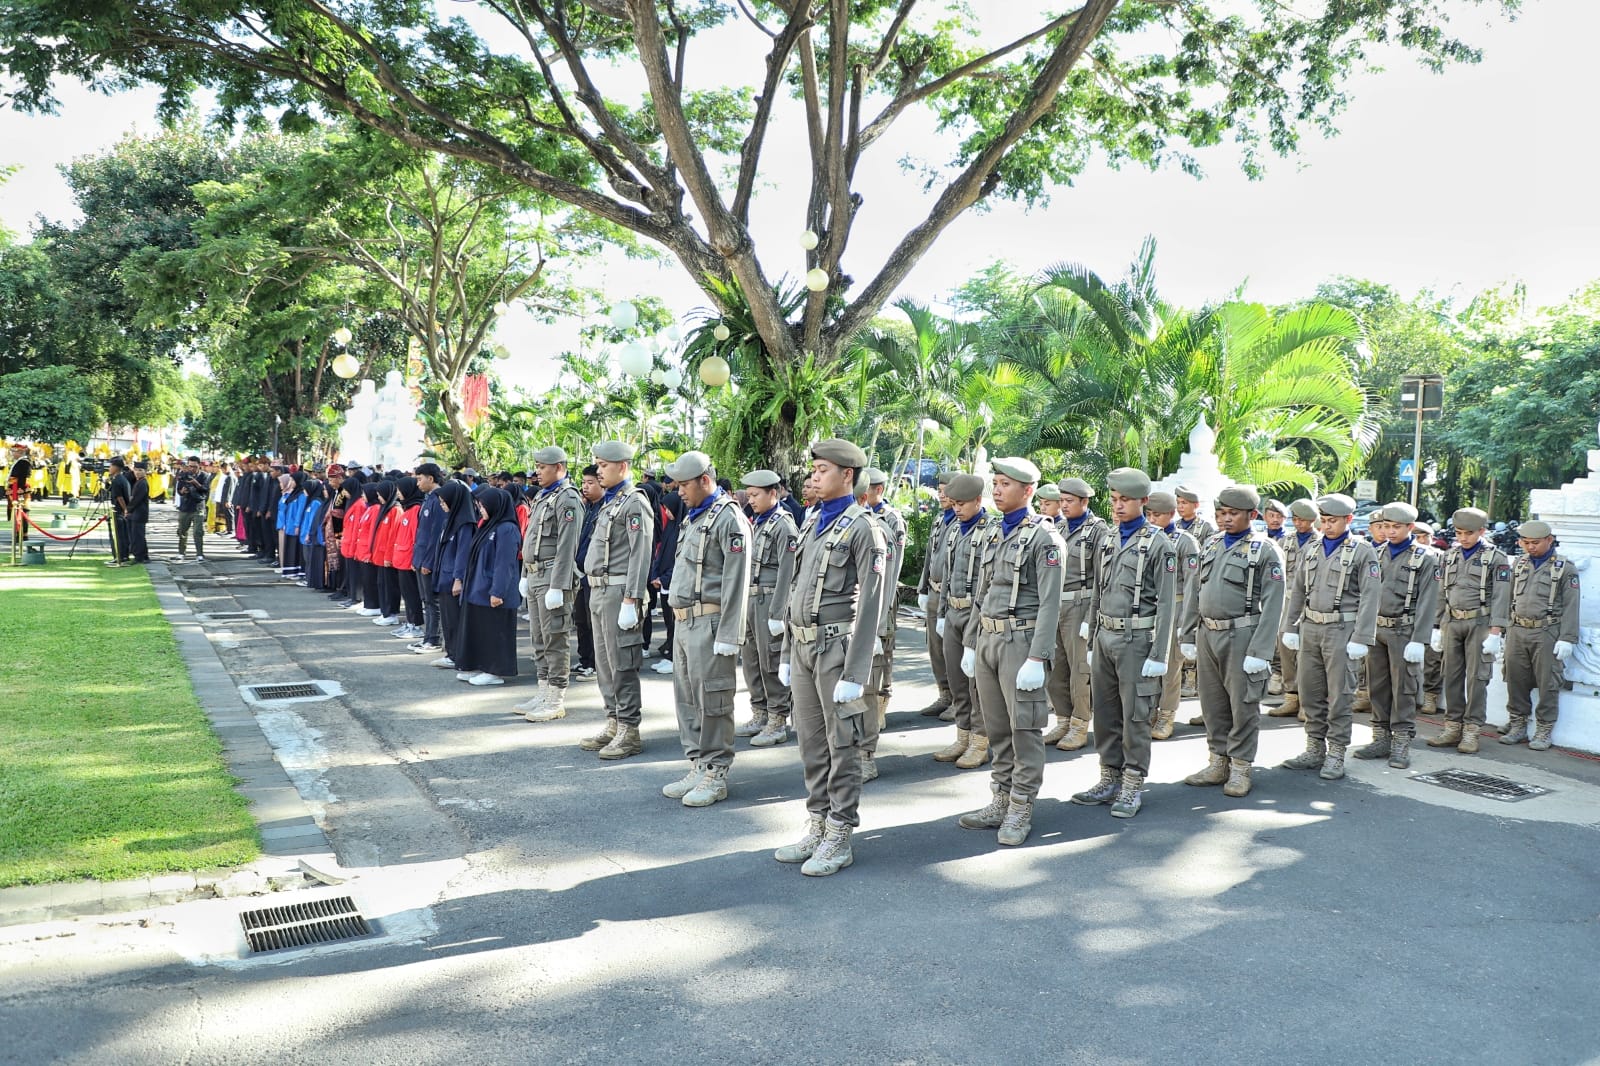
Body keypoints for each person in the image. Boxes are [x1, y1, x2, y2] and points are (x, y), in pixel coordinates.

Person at [774, 438, 886, 877]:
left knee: (844, 744)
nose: (814, 476)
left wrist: (857, 672)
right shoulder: (811, 522)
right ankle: (818, 821)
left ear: (847, 475)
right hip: (802, 646)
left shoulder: (864, 528)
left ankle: (840, 832)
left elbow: (872, 603)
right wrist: (786, 649)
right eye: (814, 469)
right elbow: (796, 591)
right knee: (811, 742)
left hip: (837, 651)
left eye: (822, 470)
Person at [956, 457, 1064, 845]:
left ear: (1028, 491)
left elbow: (1052, 604)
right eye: (995, 483)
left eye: (1004, 484)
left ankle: (1021, 805)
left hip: (1021, 643)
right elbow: (982, 594)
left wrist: (1037, 657)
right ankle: (1000, 797)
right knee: (997, 726)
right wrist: (971, 641)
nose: (996, 490)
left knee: (1024, 729)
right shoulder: (993, 533)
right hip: (988, 638)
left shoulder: (1045, 538)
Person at [1072, 467, 1176, 818]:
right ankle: (1108, 777)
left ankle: (1132, 783)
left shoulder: (1159, 544)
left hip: (1137, 639)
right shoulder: (1109, 539)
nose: (1118, 507)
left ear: (1144, 501)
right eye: (1114, 500)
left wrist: (1159, 653)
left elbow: (1166, 603)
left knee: (1135, 715)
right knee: (1104, 712)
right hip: (1105, 636)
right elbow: (1097, 590)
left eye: (1126, 500)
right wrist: (1090, 631)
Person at [658, 451, 752, 807]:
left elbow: (736, 580)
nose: (679, 492)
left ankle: (716, 771)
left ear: (704, 480)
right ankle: (698, 762)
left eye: (684, 485)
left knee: (713, 699)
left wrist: (730, 634)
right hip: (685, 621)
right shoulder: (696, 517)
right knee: (688, 700)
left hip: (711, 622)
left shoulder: (729, 518)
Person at [1178, 485, 1285, 797]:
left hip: (1242, 635)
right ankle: (1218, 761)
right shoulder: (1210, 545)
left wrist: (1262, 650)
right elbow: (1194, 592)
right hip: (1208, 633)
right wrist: (1187, 633)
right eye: (1221, 513)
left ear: (1251, 515)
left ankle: (1240, 768)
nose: (1226, 519)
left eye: (1233, 514)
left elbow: (1274, 601)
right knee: (1212, 704)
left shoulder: (1264, 550)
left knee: (1243, 705)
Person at [1278, 493, 1380, 781]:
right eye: (1324, 520)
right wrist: (1290, 626)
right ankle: (1314, 748)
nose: (1327, 526)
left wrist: (1362, 636)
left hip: (1341, 630)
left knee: (1339, 695)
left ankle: (1336, 752)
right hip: (1310, 627)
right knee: (1310, 692)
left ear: (1348, 520)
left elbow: (1371, 596)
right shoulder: (1311, 549)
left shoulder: (1362, 551)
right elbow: (1297, 589)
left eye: (1333, 521)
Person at [577, 441, 656, 760]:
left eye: (604, 465)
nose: (598, 470)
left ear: (622, 466)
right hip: (598, 590)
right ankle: (613, 720)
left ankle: (629, 729)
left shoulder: (634, 502)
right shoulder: (610, 502)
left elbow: (641, 553)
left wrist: (632, 598)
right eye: (597, 464)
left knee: (621, 663)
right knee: (604, 662)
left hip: (619, 591)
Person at [1350, 502, 1440, 770]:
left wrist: (1419, 639)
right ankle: (1380, 737)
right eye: (1385, 526)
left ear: (1410, 527)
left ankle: (1401, 740)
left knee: (1404, 687)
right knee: (1377, 685)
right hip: (1376, 629)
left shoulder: (1425, 558)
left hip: (1404, 630)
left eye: (1396, 527)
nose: (1390, 531)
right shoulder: (1374, 554)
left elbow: (1428, 600)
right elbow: (1363, 595)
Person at [1424, 508, 1511, 753]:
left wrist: (1496, 632)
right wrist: (1436, 626)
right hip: (1452, 621)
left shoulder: (1496, 558)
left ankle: (1471, 730)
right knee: (1450, 675)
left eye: (1469, 533)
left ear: (1482, 532)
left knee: (1477, 678)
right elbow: (1441, 593)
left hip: (1480, 623)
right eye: (1459, 533)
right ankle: (1452, 727)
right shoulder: (1449, 556)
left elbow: (1502, 596)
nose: (1463, 538)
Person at [516, 446, 585, 722]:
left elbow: (568, 546)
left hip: (552, 575)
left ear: (558, 467)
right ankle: (543, 689)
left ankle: (556, 695)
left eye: (542, 467)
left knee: (554, 636)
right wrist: (524, 573)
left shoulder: (567, 499)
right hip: (534, 574)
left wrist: (558, 585)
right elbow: (530, 539)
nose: (537, 472)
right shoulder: (544, 497)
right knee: (538, 637)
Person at [1501, 519, 1580, 751]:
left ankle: (1544, 729)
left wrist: (1567, 638)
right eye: (1525, 542)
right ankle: (1517, 724)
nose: (1530, 547)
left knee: (1548, 682)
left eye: (1535, 542)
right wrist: (1502, 628)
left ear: (1549, 540)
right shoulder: (1520, 563)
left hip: (1547, 631)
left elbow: (1572, 605)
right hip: (1518, 629)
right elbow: (1508, 598)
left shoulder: (1565, 568)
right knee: (1515, 678)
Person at [932, 473, 994, 769]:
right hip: (954, 610)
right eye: (953, 503)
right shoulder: (955, 530)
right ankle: (963, 735)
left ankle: (981, 741)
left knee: (977, 685)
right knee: (957, 682)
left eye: (962, 504)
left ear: (978, 501)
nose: (956, 508)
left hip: (976, 612)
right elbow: (946, 575)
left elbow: (990, 582)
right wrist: (942, 612)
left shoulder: (991, 532)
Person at [735, 469, 799, 747]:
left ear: (774, 493)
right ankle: (759, 711)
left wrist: (778, 612)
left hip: (770, 599)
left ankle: (777, 718)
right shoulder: (758, 521)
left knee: (771, 661)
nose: (751, 500)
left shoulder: (784, 525)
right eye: (748, 495)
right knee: (751, 660)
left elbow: (788, 571)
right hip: (750, 599)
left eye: (756, 495)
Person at [1043, 477, 1106, 751]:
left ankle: (1080, 724)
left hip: (1081, 604)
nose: (1064, 506)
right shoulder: (1057, 527)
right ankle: (1063, 719)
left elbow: (1102, 578)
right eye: (1062, 501)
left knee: (1080, 669)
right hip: (1055, 604)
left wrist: (1090, 619)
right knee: (1056, 667)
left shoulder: (1098, 531)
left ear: (1084, 501)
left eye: (1070, 501)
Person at [858, 467, 907, 781]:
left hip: (880, 606)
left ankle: (866, 752)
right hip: (853, 611)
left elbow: (890, 572)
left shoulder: (889, 521)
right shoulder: (855, 520)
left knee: (875, 673)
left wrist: (877, 623)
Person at [1144, 490, 1200, 741]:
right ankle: (1150, 711)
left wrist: (1186, 623)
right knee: (1147, 664)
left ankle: (1167, 714)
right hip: (1150, 608)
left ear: (1171, 514)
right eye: (1149, 514)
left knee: (1171, 667)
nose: (1153, 519)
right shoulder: (1144, 538)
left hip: (1176, 607)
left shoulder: (1185, 541)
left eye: (1158, 515)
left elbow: (1192, 585)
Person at [453, 486, 523, 685]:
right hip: (479, 588)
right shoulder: (488, 525)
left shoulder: (507, 529)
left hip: (495, 590)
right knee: (481, 630)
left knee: (496, 631)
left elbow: (504, 563)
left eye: (483, 505)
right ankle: (479, 665)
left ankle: (494, 671)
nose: (480, 508)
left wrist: (497, 591)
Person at [1267, 499, 1321, 719]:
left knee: (1307, 653)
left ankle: (1308, 702)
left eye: (1304, 520)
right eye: (1296, 519)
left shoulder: (1320, 541)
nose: (1299, 524)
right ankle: (1291, 696)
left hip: (1311, 602)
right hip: (1287, 601)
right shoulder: (1285, 540)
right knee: (1285, 648)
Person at [915, 472, 958, 718]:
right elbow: (929, 559)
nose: (941, 494)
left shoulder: (964, 521)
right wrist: (922, 588)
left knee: (953, 651)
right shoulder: (940, 520)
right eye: (939, 489)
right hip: (933, 591)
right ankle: (945, 694)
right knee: (935, 649)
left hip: (952, 597)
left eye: (946, 490)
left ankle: (960, 700)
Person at [430, 478, 477, 670]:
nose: (442, 505)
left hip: (453, 580)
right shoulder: (449, 521)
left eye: (444, 501)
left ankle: (458, 655)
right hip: (443, 577)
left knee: (455, 620)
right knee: (448, 619)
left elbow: (463, 553)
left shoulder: (464, 524)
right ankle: (450, 652)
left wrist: (458, 578)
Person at [408, 464, 447, 653]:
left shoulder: (439, 500)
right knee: (426, 600)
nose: (417, 483)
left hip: (428, 559)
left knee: (432, 601)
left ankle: (434, 639)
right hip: (420, 556)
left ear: (430, 479)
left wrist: (428, 561)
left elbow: (436, 534)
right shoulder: (428, 499)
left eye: (419, 478)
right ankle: (427, 637)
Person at [572, 465, 603, 681]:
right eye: (583, 482)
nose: (585, 487)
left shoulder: (605, 508)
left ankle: (595, 663)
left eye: (590, 482)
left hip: (596, 576)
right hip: (580, 574)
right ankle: (585, 659)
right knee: (581, 619)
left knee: (594, 623)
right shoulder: (588, 508)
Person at [388, 477, 426, 639]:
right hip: (402, 559)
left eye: (400, 489)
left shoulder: (416, 509)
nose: (398, 493)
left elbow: (416, 538)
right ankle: (410, 622)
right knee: (407, 595)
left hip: (409, 560)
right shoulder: (408, 509)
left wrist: (414, 560)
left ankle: (416, 625)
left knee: (412, 595)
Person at [173, 455, 210, 561]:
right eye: (190, 466)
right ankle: (181, 552)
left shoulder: (204, 476)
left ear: (199, 466)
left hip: (198, 506)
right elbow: (179, 490)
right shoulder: (183, 475)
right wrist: (182, 491)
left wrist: (196, 483)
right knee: (182, 531)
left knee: (197, 531)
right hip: (185, 506)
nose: (192, 469)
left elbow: (205, 490)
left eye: (194, 466)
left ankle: (199, 553)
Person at [297, 479, 329, 589]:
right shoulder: (310, 501)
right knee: (306, 558)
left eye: (305, 489)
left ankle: (309, 578)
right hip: (305, 533)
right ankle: (307, 578)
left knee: (309, 558)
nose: (304, 491)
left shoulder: (316, 502)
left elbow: (312, 520)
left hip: (309, 535)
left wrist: (309, 533)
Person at [106, 457, 133, 565]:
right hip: (122, 510)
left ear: (116, 467)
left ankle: (120, 556)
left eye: (111, 466)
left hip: (118, 511)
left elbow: (119, 497)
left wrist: (125, 509)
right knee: (123, 535)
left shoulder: (117, 480)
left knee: (119, 535)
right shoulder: (122, 479)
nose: (109, 468)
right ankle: (124, 555)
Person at [126, 461, 152, 563]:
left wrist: (128, 509)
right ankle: (144, 555)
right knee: (138, 535)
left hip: (139, 513)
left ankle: (139, 556)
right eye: (136, 470)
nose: (137, 472)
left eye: (140, 470)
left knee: (137, 536)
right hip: (138, 513)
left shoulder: (142, 483)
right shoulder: (138, 482)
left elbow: (136, 499)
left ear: (145, 471)